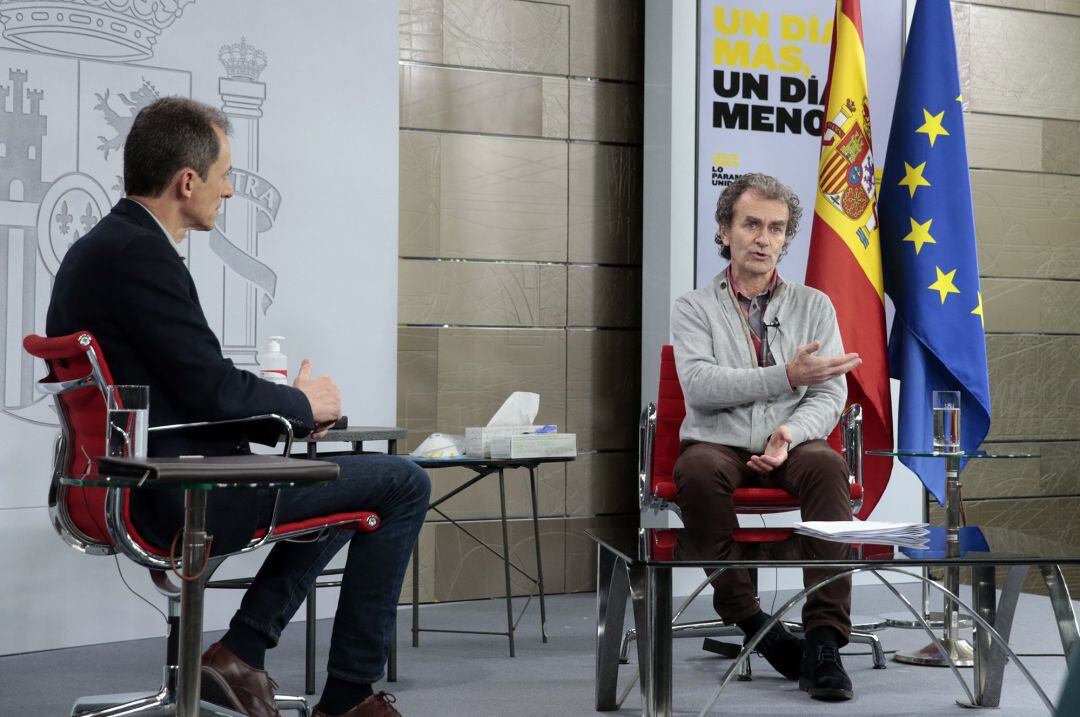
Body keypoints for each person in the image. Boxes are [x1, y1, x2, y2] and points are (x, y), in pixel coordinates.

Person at [46, 96, 429, 717]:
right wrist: (300, 406)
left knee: (344, 487)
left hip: (119, 484)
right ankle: (347, 698)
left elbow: (190, 385)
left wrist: (290, 409)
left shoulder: (100, 249)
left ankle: (242, 651)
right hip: (178, 490)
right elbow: (212, 392)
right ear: (187, 181)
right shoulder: (141, 256)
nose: (228, 190)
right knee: (402, 482)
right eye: (224, 176)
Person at [670, 172, 862, 701]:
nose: (763, 238)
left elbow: (829, 395)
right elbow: (701, 387)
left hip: (791, 441)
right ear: (726, 231)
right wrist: (786, 378)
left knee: (826, 466)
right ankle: (756, 623)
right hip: (718, 441)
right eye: (751, 224)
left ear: (785, 238)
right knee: (697, 470)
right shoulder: (694, 307)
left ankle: (823, 640)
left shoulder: (815, 305)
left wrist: (788, 431)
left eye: (776, 229)